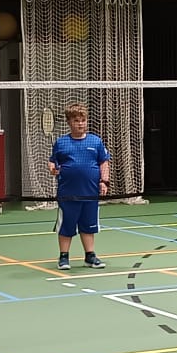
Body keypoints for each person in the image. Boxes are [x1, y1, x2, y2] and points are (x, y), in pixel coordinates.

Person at [47, 103, 110, 270]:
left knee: (88, 225)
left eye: (83, 120)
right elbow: (52, 162)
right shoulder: (61, 143)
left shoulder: (95, 141)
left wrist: (104, 181)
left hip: (90, 193)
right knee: (66, 226)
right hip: (68, 193)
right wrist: (52, 169)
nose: (80, 124)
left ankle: (90, 256)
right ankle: (63, 257)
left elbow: (103, 162)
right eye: (76, 120)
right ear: (69, 122)